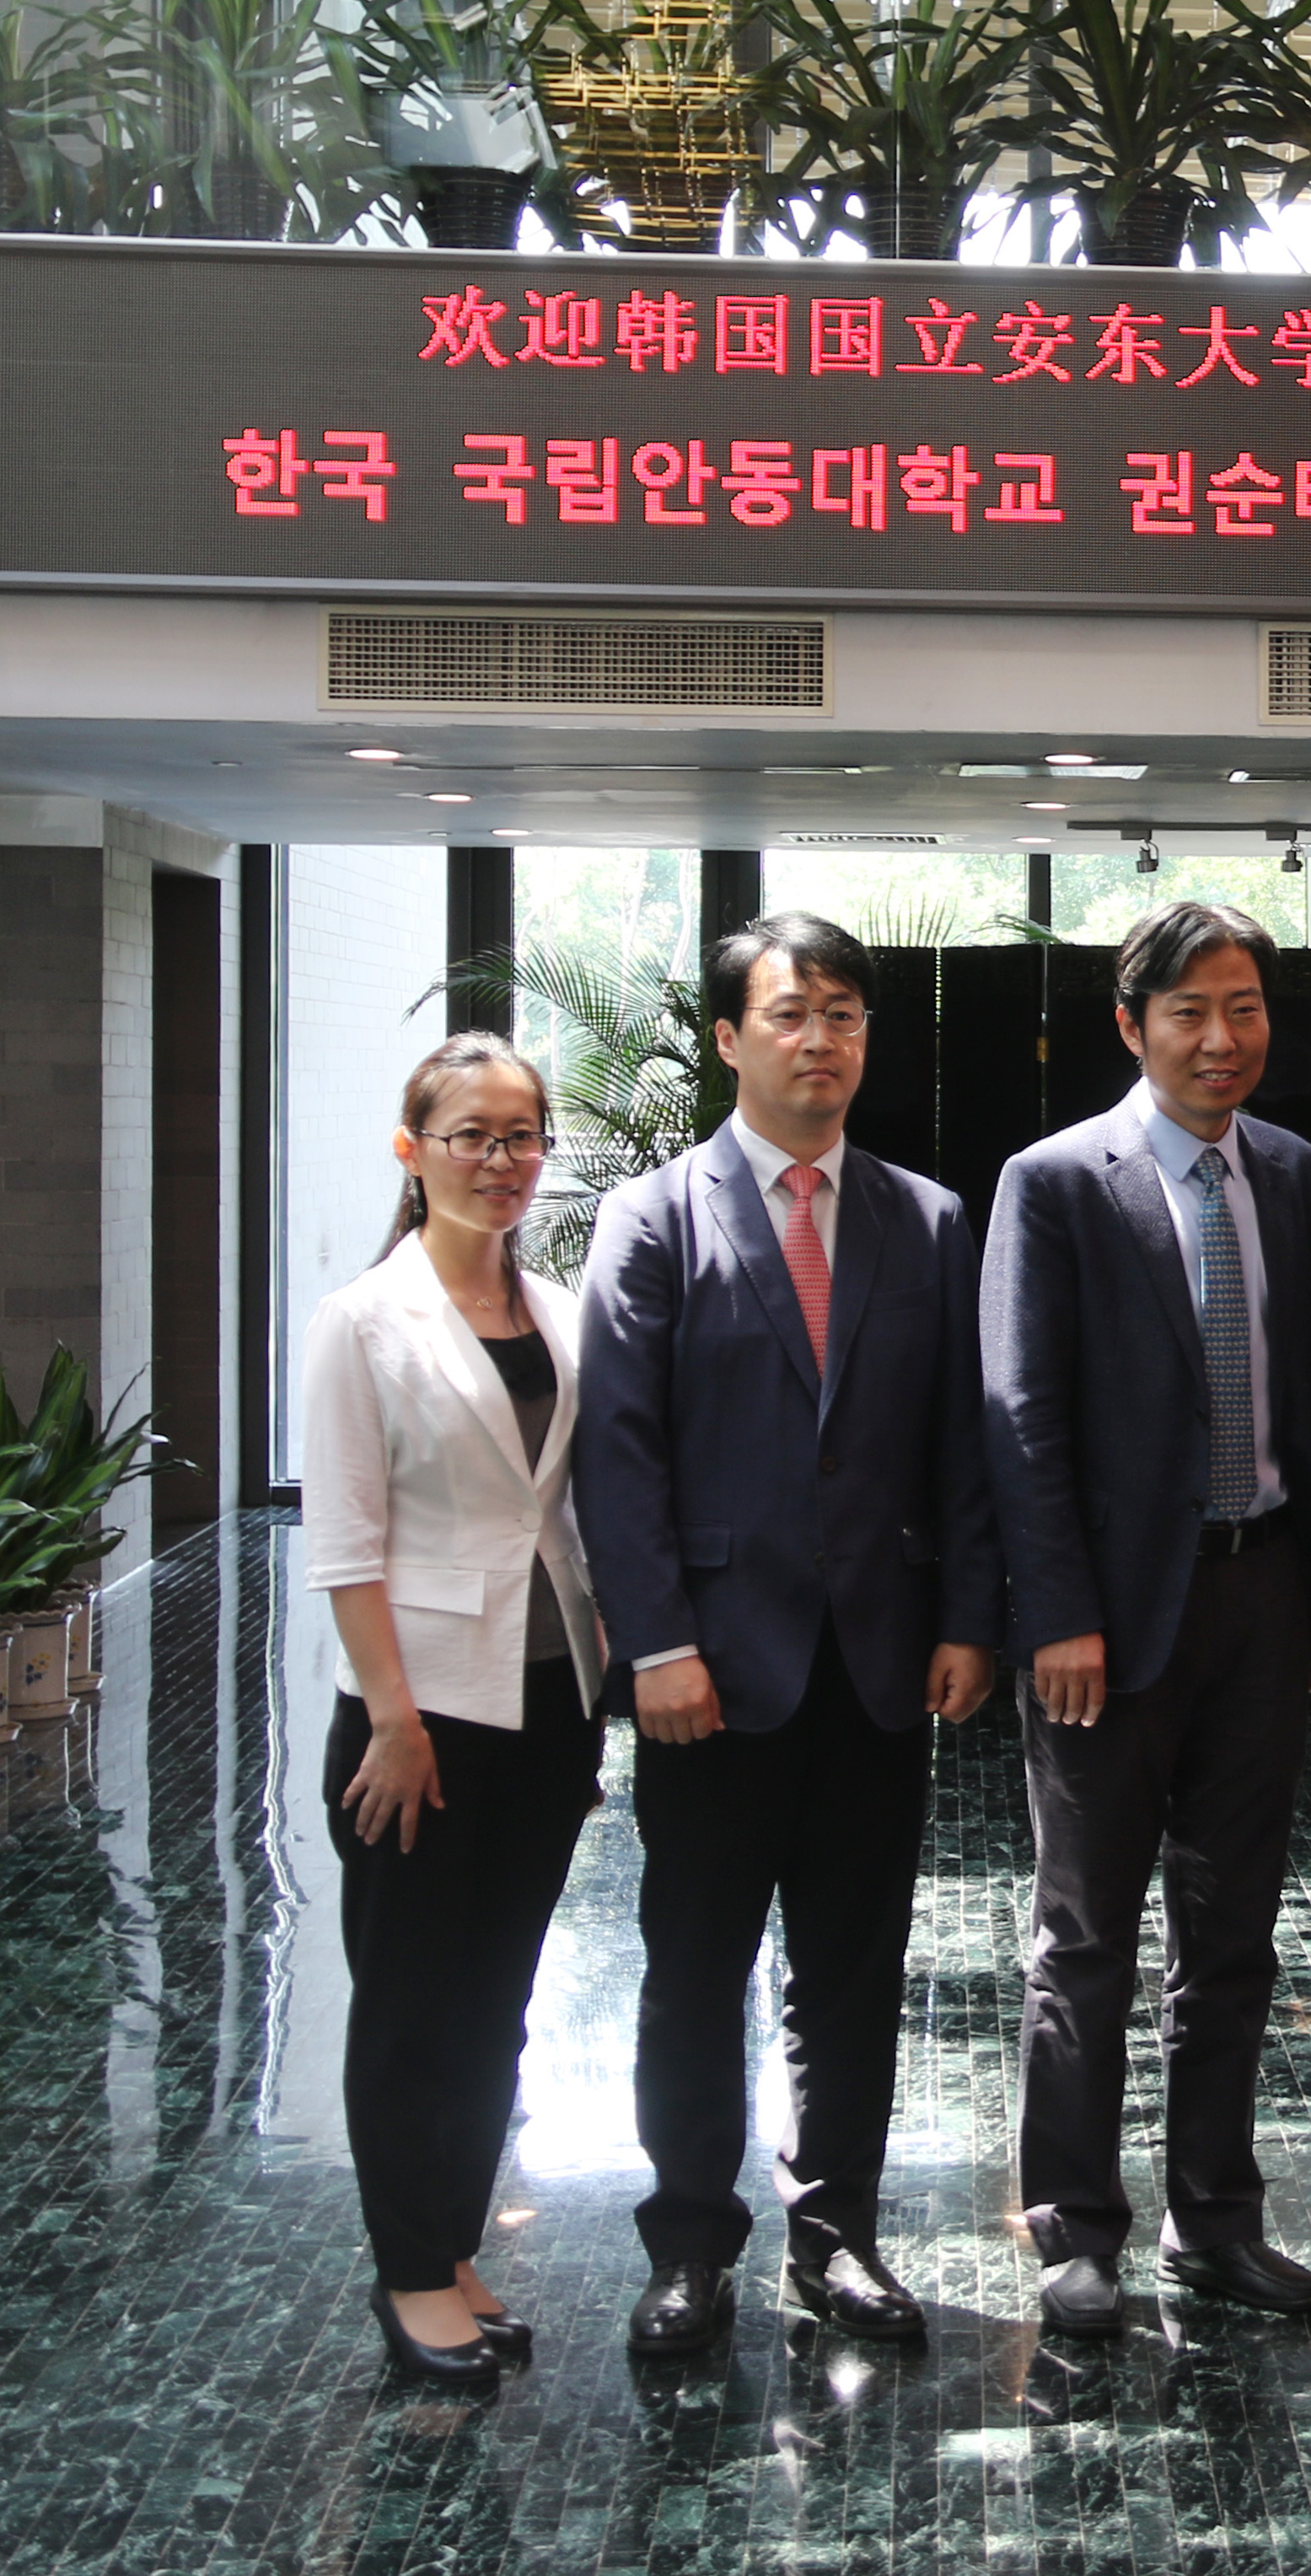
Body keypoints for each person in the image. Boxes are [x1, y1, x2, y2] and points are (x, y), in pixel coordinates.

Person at [573, 910, 1003, 2357]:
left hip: (877, 1670)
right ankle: (690, 2243)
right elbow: (619, 1454)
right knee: (695, 1969)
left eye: (844, 1015)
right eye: (790, 1013)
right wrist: (657, 1645)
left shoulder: (926, 1219)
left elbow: (963, 1444)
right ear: (728, 1038)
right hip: (709, 1672)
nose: (820, 1039)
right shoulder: (653, 1217)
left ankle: (840, 2238)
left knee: (853, 1974)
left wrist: (968, 1618)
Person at [978, 903, 1311, 2339]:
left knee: (1235, 1931)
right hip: (1110, 1619)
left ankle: (1218, 2219)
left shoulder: (1299, 1176)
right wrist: (1056, 1612)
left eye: (1243, 1007)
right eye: (1189, 1011)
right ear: (1132, 1025)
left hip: (1263, 1595)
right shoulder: (1055, 1183)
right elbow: (1023, 1414)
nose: (1220, 1037)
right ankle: (1075, 2225)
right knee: (1087, 1936)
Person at [300, 1032, 610, 2388]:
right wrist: (392, 1719)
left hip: (549, 1702)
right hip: (419, 1717)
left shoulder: (560, 1312)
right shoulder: (363, 1321)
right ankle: (409, 2270)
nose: (500, 1159)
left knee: (496, 2001)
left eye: (521, 1135)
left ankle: (454, 2241)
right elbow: (343, 1543)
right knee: (412, 2003)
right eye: (471, 1135)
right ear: (412, 1150)